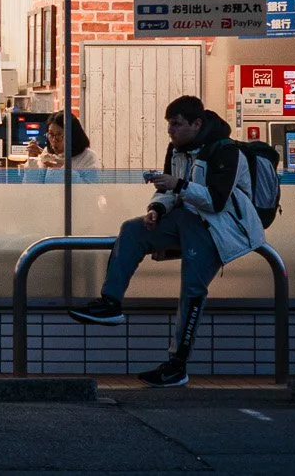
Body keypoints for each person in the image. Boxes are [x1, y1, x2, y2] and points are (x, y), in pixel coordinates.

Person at [67, 95, 265, 388]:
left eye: (177, 124)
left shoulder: (225, 152)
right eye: (169, 125)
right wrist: (156, 209)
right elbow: (170, 193)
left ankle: (177, 364)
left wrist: (179, 185)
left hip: (219, 229)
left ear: (197, 124)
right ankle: (110, 303)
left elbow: (217, 202)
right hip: (185, 220)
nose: (171, 131)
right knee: (132, 229)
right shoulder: (176, 150)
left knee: (192, 289)